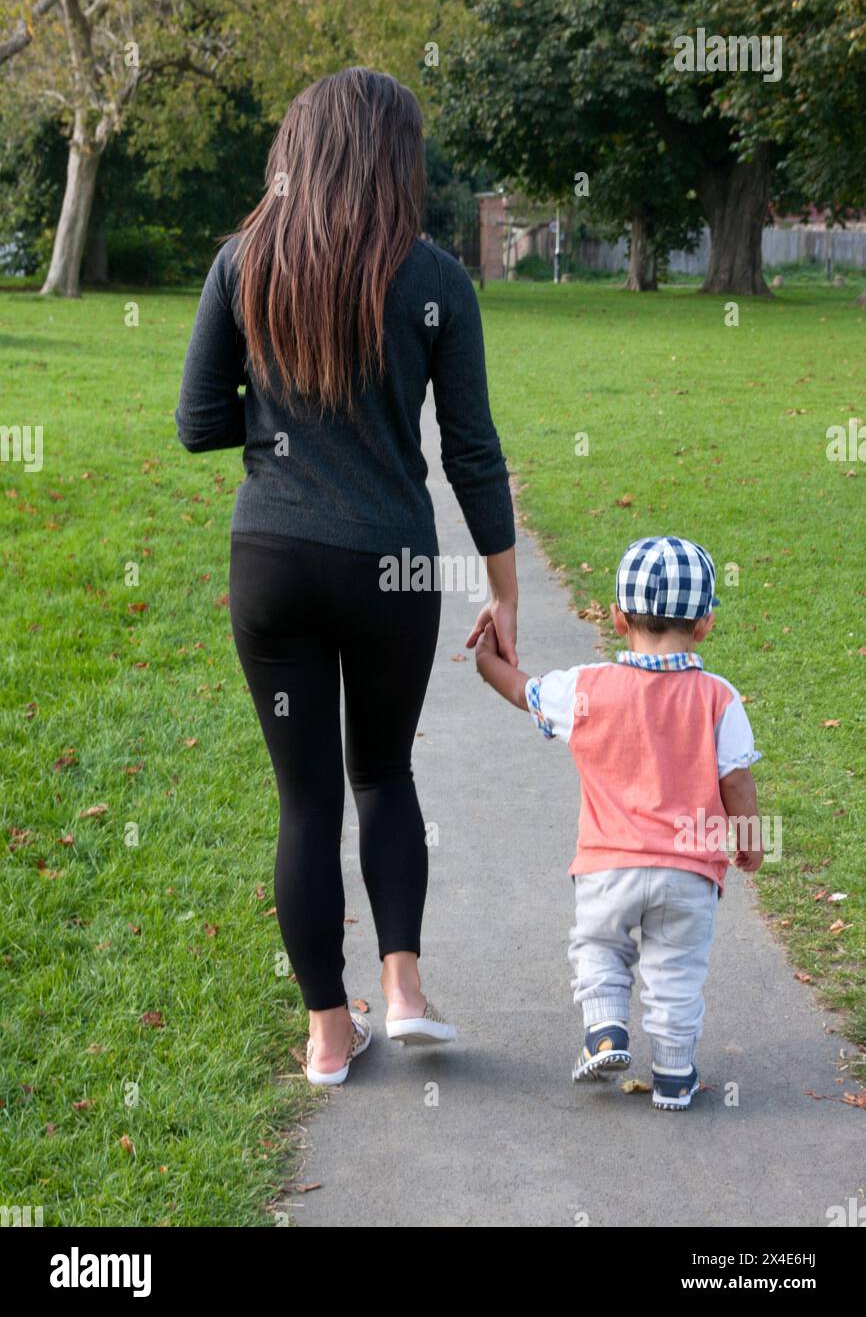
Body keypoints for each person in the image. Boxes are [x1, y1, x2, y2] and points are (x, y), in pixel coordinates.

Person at [176, 67, 518, 1085]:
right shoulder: (436, 281)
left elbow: (198, 425)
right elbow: (472, 450)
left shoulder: (244, 263)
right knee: (383, 772)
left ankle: (329, 1036)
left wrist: (282, 429)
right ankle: (404, 989)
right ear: (394, 161)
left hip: (273, 562)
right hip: (394, 565)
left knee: (306, 799)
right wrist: (504, 595)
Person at [474, 536, 763, 1110]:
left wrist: (487, 662)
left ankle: (606, 1031)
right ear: (705, 624)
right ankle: (676, 1074)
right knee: (676, 971)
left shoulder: (586, 688)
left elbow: (523, 690)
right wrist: (747, 839)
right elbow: (736, 781)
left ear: (616, 616)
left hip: (609, 867)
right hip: (690, 872)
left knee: (599, 949)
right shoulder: (719, 698)